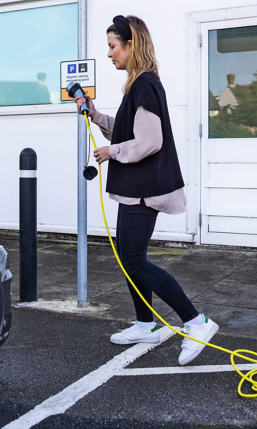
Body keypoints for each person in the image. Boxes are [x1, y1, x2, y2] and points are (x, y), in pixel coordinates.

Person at [75, 15, 218, 365]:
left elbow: (150, 142)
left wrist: (113, 152)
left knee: (136, 261)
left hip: (144, 189)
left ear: (131, 45)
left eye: (112, 47)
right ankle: (145, 323)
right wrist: (96, 116)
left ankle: (197, 322)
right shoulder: (136, 85)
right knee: (128, 261)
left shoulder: (145, 85)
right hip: (133, 188)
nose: (109, 54)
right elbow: (129, 131)